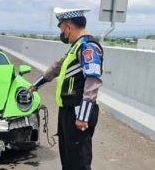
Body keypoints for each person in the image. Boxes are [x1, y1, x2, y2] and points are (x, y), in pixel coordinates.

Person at [29, 7, 103, 170]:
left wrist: (83, 116)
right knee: (68, 157)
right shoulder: (76, 47)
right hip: (68, 109)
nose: (62, 33)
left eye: (61, 28)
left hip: (78, 110)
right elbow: (57, 67)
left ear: (68, 26)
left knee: (79, 159)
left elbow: (93, 81)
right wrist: (36, 85)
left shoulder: (88, 47)